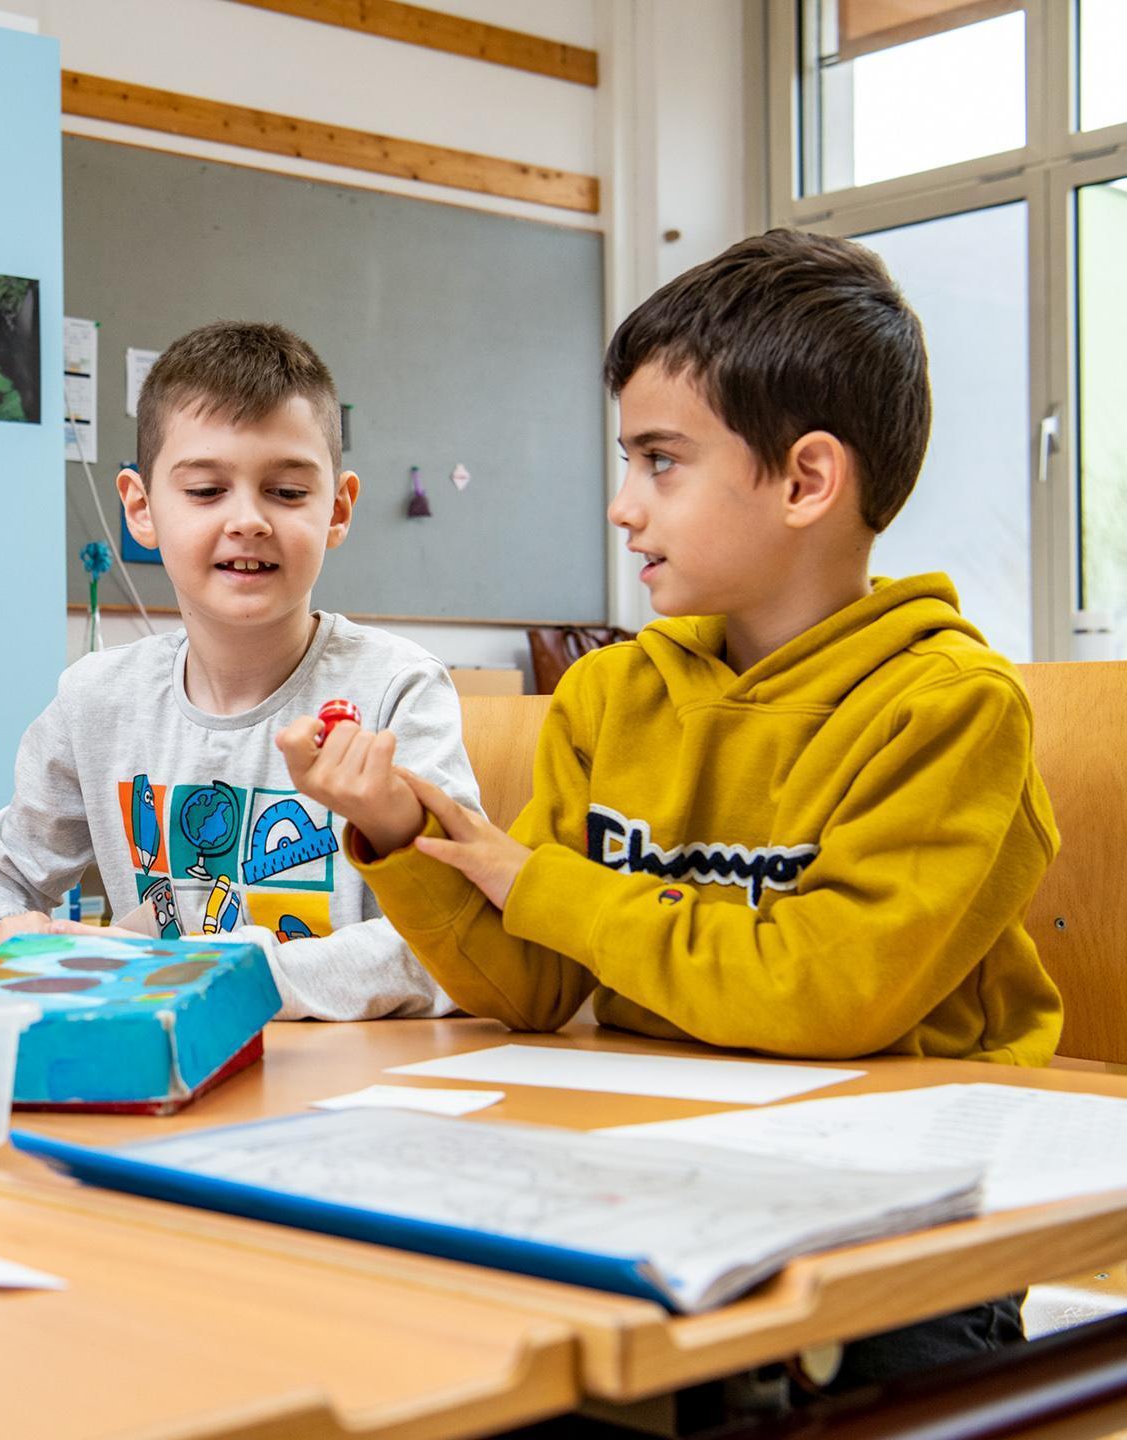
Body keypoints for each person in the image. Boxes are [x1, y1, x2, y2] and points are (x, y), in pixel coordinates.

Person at [283, 229, 1057, 1390]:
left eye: (660, 462)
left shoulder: (953, 710)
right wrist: (403, 837)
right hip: (662, 1158)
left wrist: (538, 882)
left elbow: (825, 992)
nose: (620, 506)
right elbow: (540, 986)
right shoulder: (610, 694)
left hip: (898, 1199)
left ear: (805, 481)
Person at [0, 321, 477, 1020]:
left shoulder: (395, 690)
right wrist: (7, 938)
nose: (248, 520)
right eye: (205, 491)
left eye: (287, 492)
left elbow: (454, 942)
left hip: (345, 1079)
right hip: (163, 1067)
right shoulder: (96, 700)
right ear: (140, 508)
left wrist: (225, 973)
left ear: (338, 509)